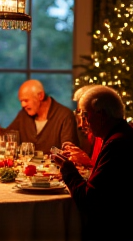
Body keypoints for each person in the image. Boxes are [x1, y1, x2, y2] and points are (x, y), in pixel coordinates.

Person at [52, 85, 133, 241]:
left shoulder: (116, 144)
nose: (82, 124)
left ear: (101, 114)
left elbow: (89, 201)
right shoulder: (122, 133)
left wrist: (68, 169)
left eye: (84, 115)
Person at [0, 79, 79, 154]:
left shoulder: (64, 115)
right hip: (26, 173)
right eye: (21, 101)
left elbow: (69, 151)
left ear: (40, 96)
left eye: (26, 100)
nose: (23, 105)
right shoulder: (24, 115)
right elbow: (9, 139)